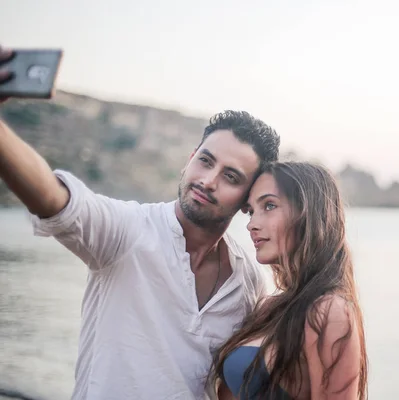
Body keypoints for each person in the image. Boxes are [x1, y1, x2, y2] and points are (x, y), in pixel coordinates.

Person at [0, 45, 280, 400]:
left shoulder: (249, 280)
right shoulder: (127, 232)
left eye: (231, 177)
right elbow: (53, 197)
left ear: (247, 201)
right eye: (205, 161)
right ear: (189, 160)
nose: (208, 180)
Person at [211, 161, 368, 399]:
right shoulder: (269, 308)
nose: (252, 224)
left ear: (309, 213)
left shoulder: (329, 312)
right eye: (252, 211)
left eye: (269, 205)